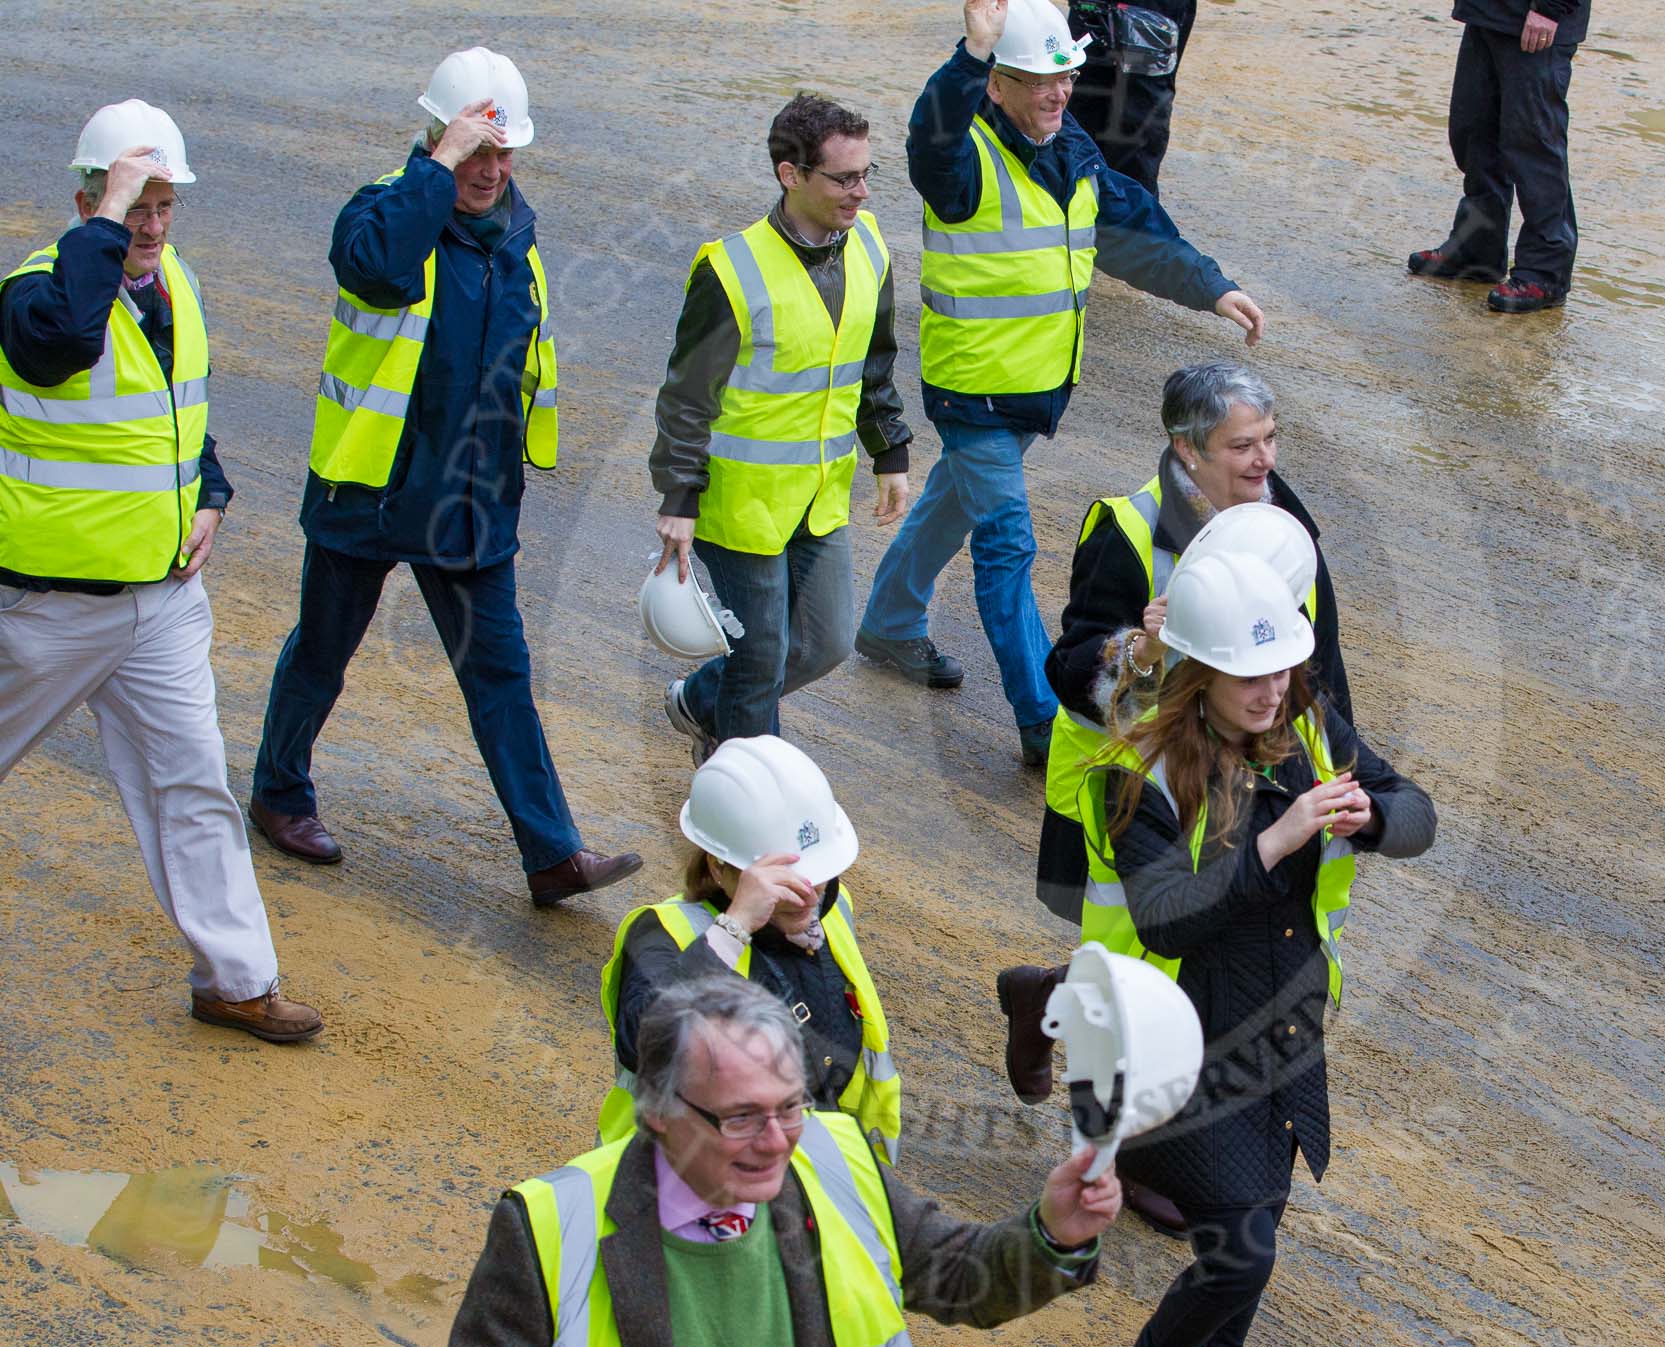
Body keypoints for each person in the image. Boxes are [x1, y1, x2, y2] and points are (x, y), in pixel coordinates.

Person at [247, 47, 641, 904]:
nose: (491, 171)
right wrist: (435, 166)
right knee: (322, 652)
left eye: (504, 155)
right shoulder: (384, 211)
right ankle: (279, 793)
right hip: (372, 489)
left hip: (467, 507)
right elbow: (377, 267)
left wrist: (504, 486)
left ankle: (552, 853)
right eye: (474, 152)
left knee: (501, 677)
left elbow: (515, 378)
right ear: (435, 140)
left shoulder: (517, 241)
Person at [854, 0, 1266, 768]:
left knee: (954, 500)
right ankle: (1044, 719)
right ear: (995, 86)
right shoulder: (962, 157)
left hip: (1033, 390)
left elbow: (1133, 225)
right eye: (1036, 79)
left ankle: (888, 621)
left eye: (1066, 77)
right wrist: (966, 56)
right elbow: (926, 139)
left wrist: (1212, 286)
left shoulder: (1067, 145)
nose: (1057, 93)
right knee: (1006, 543)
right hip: (972, 391)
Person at [995, 360, 1350, 1230]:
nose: (1264, 459)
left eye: (1270, 439)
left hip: (1234, 776)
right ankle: (1114, 1146)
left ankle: (1052, 1004)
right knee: (1137, 964)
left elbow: (1316, 660)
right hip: (1132, 787)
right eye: (1242, 444)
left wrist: (1339, 755)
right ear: (1188, 449)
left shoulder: (1285, 527)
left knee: (1200, 960)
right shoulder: (1125, 527)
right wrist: (1141, 650)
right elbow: (1069, 664)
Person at [0, 100, 323, 1042]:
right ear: (87, 200)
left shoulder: (173, 280)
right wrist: (105, 225)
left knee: (192, 784)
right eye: (133, 201)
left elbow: (178, 422)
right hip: (44, 611)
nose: (150, 222)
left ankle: (237, 979)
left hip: (161, 604)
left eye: (165, 202)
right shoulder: (34, 292)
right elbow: (62, 346)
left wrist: (211, 495)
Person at [1084, 553, 1435, 1347]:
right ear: (1199, 673)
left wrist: (1370, 815)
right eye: (1249, 675)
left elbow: (1418, 812)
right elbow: (1166, 918)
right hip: (1176, 1046)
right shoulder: (1139, 773)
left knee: (1245, 1251)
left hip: (1285, 1033)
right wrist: (1279, 839)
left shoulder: (1308, 727)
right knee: (1244, 1256)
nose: (1272, 689)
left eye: (1280, 668)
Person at [446, 973, 1123, 1347]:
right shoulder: (545, 1231)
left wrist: (1053, 1232)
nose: (777, 1142)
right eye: (741, 1116)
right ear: (657, 1109)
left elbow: (955, 1273)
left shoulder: (834, 1153)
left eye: (791, 1105)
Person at [650, 95, 914, 762]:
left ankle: (703, 701)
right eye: (843, 178)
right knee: (760, 651)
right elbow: (686, 398)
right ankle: (749, 807)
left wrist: (890, 452)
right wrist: (679, 498)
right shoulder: (730, 271)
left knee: (824, 642)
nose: (860, 191)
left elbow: (873, 362)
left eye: (865, 174)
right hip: (739, 506)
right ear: (789, 174)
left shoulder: (871, 247)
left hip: (818, 497)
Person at [598, 736, 901, 1166]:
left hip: (821, 1180)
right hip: (690, 1194)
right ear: (718, 867)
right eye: (781, 879)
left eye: (818, 874)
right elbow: (646, 1042)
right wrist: (736, 926)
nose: (807, 895)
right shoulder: (662, 933)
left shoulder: (832, 909)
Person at [1406, 0, 1589, 313]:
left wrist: (1549, 7)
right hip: (1488, 12)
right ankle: (1478, 247)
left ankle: (1545, 273)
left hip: (1537, 18)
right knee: (1474, 132)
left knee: (1534, 147)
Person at [1066, 0, 1199, 195]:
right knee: (1074, 117)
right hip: (1092, 10)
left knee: (1134, 127)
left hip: (1150, 11)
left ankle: (1125, 215)